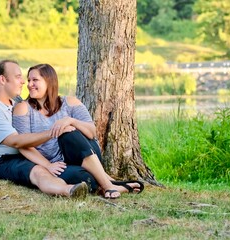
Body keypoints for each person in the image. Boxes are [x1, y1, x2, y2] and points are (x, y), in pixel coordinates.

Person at [12, 63, 144, 199]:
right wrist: (48, 165)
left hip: (84, 151)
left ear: (49, 81)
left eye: (35, 80)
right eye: (29, 80)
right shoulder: (23, 108)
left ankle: (108, 185)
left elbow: (92, 133)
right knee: (86, 179)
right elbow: (23, 145)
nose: (29, 84)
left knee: (68, 133)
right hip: (58, 164)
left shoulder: (70, 102)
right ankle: (109, 182)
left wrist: (70, 120)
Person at [0, 59, 98, 199]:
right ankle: (69, 190)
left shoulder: (15, 100)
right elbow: (15, 142)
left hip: (25, 152)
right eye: (18, 77)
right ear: (2, 79)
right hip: (3, 160)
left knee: (80, 165)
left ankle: (102, 181)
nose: (23, 82)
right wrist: (53, 133)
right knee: (39, 172)